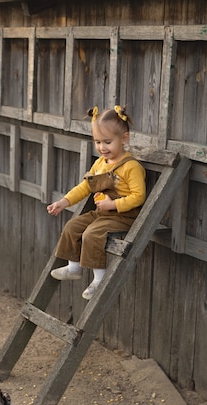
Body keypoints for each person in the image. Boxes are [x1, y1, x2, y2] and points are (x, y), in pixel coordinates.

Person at [47, 105, 146, 300]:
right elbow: (85, 187)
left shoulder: (131, 167)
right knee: (73, 226)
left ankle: (99, 279)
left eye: (108, 142)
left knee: (92, 234)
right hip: (103, 213)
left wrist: (113, 205)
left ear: (124, 138)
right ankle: (74, 267)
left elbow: (138, 196)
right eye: (98, 142)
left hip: (123, 216)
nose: (102, 147)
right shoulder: (100, 163)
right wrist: (64, 202)